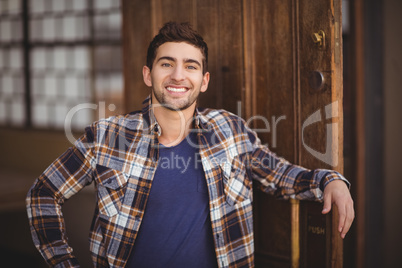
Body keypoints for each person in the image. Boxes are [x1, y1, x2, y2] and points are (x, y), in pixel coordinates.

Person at [26, 22, 354, 268]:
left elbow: (279, 175)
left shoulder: (229, 130)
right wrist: (63, 263)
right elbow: (43, 193)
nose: (178, 75)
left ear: (204, 80)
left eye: (191, 66)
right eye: (166, 63)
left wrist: (330, 180)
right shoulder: (107, 136)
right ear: (148, 74)